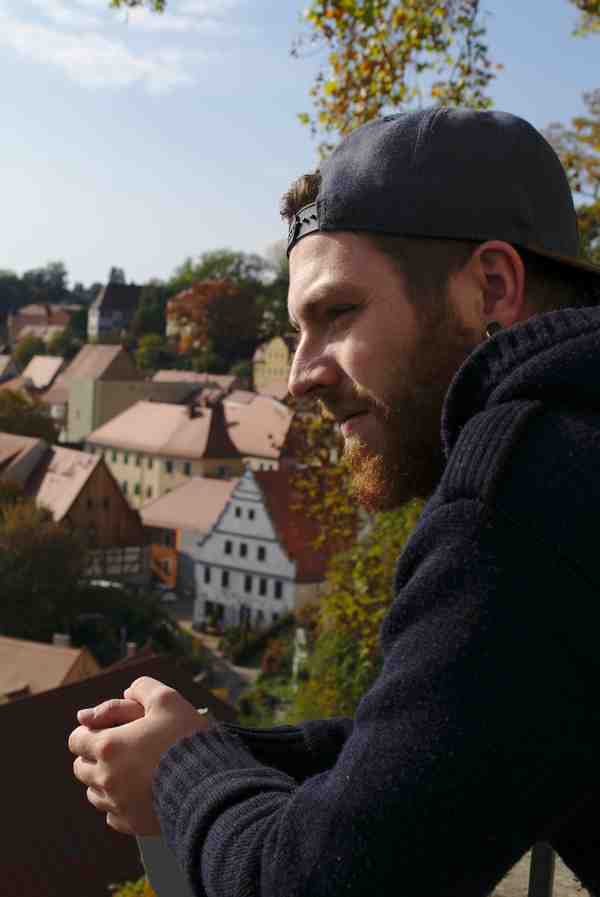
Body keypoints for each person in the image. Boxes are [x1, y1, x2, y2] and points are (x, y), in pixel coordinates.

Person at [69, 107, 600, 897]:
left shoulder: (521, 493)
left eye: (337, 313)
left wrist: (179, 769)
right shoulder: (576, 447)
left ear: (492, 287)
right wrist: (223, 752)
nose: (298, 376)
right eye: (297, 331)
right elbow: (452, 742)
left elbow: (314, 883)